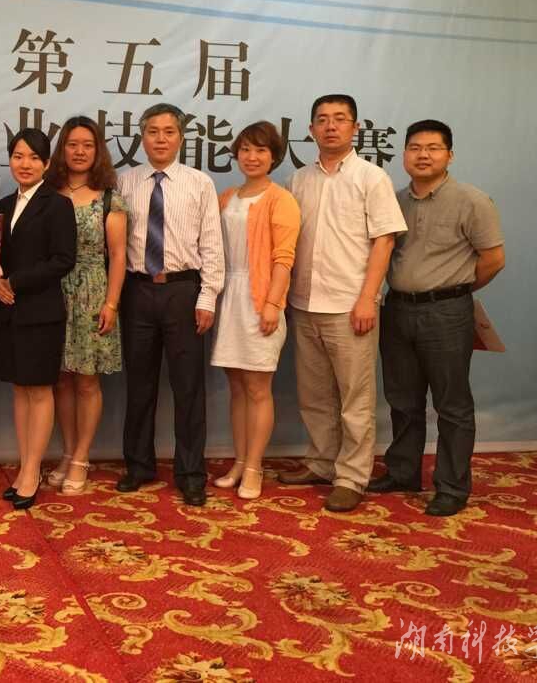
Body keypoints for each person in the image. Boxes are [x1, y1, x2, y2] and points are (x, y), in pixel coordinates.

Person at [370, 120, 505, 516]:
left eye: (433, 148)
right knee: (402, 399)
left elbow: (494, 259)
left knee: (452, 404)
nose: (423, 155)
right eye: (415, 148)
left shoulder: (472, 200)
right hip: (397, 310)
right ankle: (403, 472)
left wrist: (452, 289)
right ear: (404, 154)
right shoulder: (394, 201)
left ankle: (451, 486)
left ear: (450, 155)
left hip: (447, 312)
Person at [281, 93, 406, 513]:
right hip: (304, 303)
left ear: (355, 127)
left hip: (351, 306)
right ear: (311, 129)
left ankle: (352, 477)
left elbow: (384, 241)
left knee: (356, 399)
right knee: (314, 395)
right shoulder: (299, 180)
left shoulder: (372, 178)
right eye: (322, 119)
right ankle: (321, 462)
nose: (330, 126)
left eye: (339, 119)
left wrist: (368, 298)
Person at [116, 103, 224, 506]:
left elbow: (211, 243)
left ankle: (191, 473)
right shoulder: (124, 182)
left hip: (183, 292)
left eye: (169, 132)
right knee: (138, 385)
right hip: (137, 291)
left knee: (188, 387)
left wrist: (207, 297)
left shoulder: (199, 183)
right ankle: (138, 465)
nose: (160, 139)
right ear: (141, 137)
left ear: (180, 137)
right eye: (153, 132)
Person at [209, 122, 300, 500]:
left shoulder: (281, 200)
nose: (252, 157)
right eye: (245, 149)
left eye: (261, 150)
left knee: (258, 388)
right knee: (237, 387)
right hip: (228, 297)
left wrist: (273, 304)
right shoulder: (227, 196)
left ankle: (255, 467)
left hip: (261, 298)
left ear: (274, 156)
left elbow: (284, 258)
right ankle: (240, 460)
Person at [0, 128, 77, 509]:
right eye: (18, 156)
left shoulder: (57, 205)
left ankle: (31, 471)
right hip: (9, 310)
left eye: (33, 157)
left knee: (39, 391)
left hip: (41, 312)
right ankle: (26, 462)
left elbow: (63, 260)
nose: (24, 164)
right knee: (19, 390)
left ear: (46, 163)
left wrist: (15, 281)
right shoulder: (3, 204)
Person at [44, 116, 127, 494]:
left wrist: (112, 302)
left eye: (88, 145)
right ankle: (66, 452)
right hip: (52, 291)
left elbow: (119, 255)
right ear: (62, 149)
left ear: (98, 151)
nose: (79, 151)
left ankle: (81, 457)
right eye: (72, 144)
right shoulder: (48, 192)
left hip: (93, 292)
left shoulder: (109, 197)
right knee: (60, 378)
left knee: (87, 380)